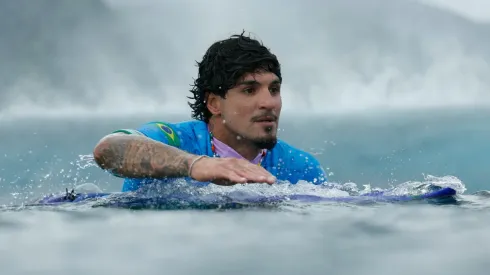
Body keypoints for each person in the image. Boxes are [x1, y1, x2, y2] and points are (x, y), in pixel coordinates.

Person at [93, 32, 327, 192]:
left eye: (274, 89)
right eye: (249, 90)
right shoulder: (177, 141)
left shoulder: (301, 167)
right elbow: (108, 149)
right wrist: (196, 165)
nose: (269, 102)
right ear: (214, 103)